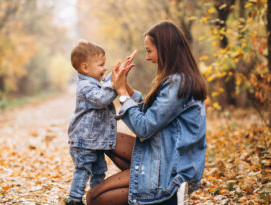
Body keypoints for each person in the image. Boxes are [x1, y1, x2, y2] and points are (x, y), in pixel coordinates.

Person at [86, 21, 207, 205]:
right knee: (103, 137)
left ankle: (169, 197)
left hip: (171, 172)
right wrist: (123, 83)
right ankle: (144, 181)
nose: (147, 57)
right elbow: (149, 111)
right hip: (162, 156)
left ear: (165, 48)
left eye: (149, 50)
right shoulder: (176, 79)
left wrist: (122, 95)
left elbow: (144, 127)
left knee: (94, 199)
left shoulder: (179, 83)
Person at [66, 40, 134, 205]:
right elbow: (102, 98)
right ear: (85, 68)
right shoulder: (85, 86)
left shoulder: (96, 82)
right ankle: (74, 199)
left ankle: (95, 196)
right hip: (84, 141)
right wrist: (114, 83)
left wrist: (117, 73)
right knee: (83, 170)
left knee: (99, 170)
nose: (104, 68)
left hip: (94, 141)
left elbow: (107, 85)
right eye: (101, 65)